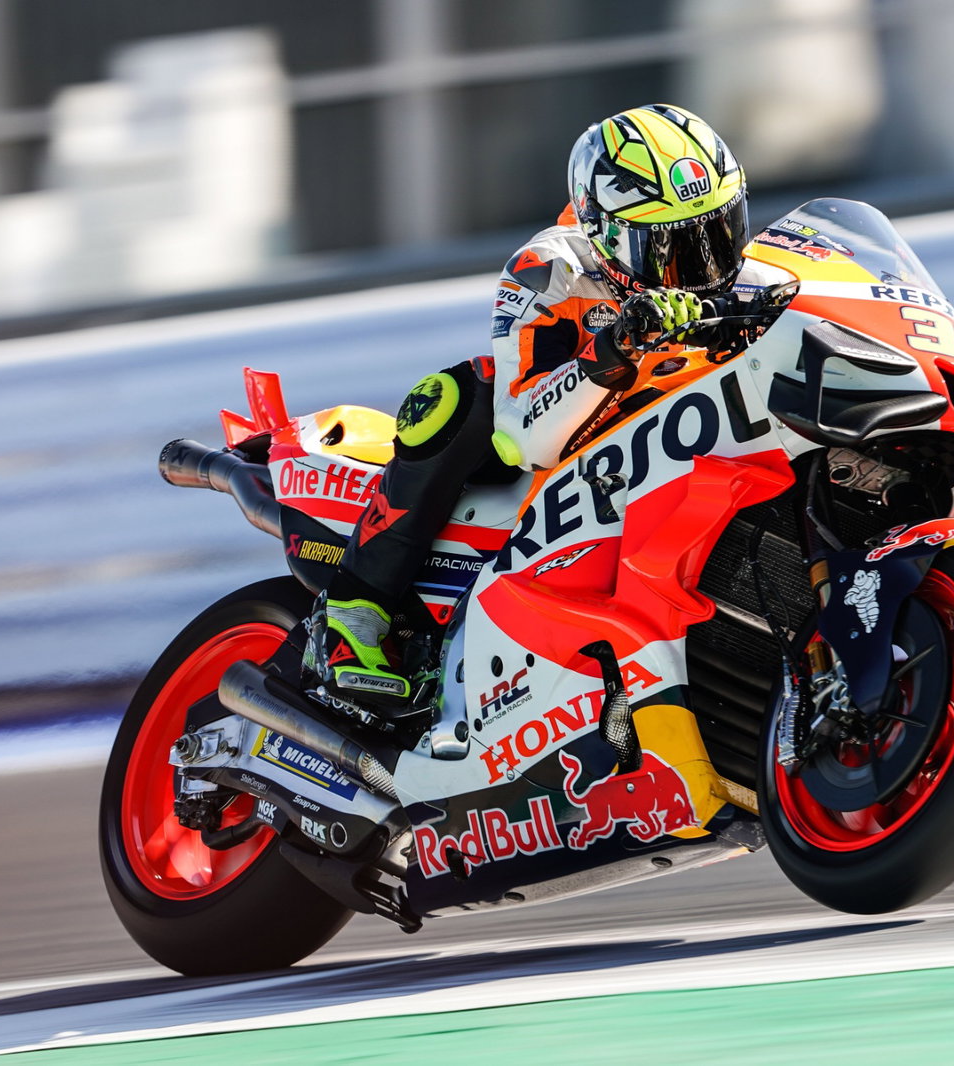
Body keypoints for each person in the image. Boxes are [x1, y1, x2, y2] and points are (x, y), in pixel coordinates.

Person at [304, 103, 776, 717]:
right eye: (673, 248)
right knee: (457, 394)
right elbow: (521, 435)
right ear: (608, 237)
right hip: (557, 465)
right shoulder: (551, 271)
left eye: (716, 233)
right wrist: (613, 351)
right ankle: (350, 612)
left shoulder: (760, 273)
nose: (703, 268)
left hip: (684, 465)